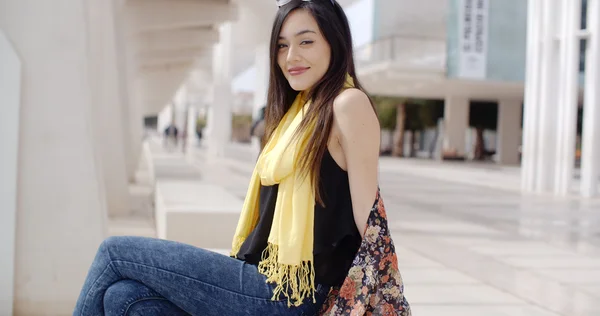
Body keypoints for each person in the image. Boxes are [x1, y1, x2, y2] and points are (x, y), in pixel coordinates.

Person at [73, 0, 410, 315]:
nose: (291, 55)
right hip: (260, 278)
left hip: (291, 293)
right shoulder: (296, 114)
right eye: (282, 45)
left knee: (113, 253)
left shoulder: (347, 104)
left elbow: (369, 216)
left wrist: (384, 299)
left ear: (335, 43)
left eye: (306, 42)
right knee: (124, 299)